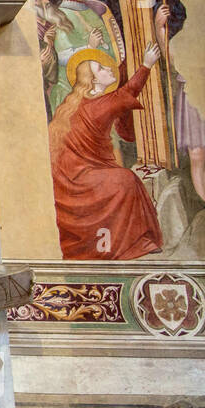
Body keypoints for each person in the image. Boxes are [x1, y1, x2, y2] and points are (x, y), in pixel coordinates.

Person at [49, 42, 165, 259]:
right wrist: (146, 65)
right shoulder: (101, 105)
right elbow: (129, 90)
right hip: (82, 177)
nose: (107, 68)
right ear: (93, 81)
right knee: (126, 180)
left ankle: (131, 240)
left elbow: (119, 89)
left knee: (124, 178)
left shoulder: (75, 101)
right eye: (101, 69)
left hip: (71, 176)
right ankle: (134, 242)